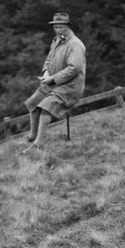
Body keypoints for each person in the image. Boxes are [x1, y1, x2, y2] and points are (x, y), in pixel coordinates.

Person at [22, 12, 86, 152]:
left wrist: (53, 78)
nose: (57, 30)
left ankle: (38, 144)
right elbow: (49, 59)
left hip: (70, 86)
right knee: (33, 103)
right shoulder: (56, 40)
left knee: (46, 106)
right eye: (55, 27)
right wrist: (46, 72)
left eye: (60, 27)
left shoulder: (75, 45)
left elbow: (74, 69)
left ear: (68, 27)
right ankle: (33, 135)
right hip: (53, 82)